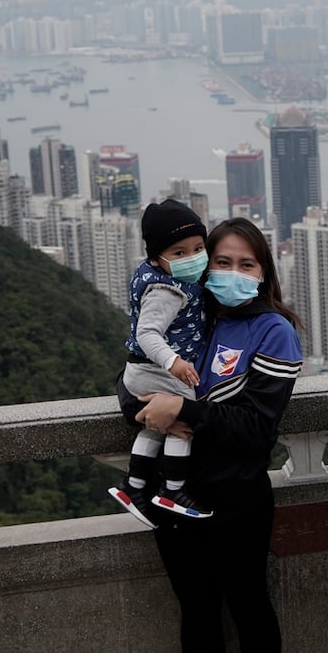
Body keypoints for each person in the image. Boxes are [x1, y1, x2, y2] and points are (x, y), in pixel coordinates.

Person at [126, 217, 303, 652]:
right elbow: (132, 370)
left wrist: (183, 409)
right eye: (222, 261)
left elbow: (259, 429)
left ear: (264, 273)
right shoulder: (188, 314)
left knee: (248, 606)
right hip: (172, 497)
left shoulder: (273, 330)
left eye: (247, 264)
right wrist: (140, 410)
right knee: (197, 612)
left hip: (235, 499)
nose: (234, 273)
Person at [109, 199, 211, 528]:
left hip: (140, 371)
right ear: (157, 257)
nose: (193, 257)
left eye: (198, 248)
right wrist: (174, 362)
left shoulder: (156, 274)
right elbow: (148, 333)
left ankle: (134, 485)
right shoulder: (166, 291)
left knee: (155, 426)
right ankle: (172, 490)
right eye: (179, 253)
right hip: (154, 368)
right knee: (186, 417)